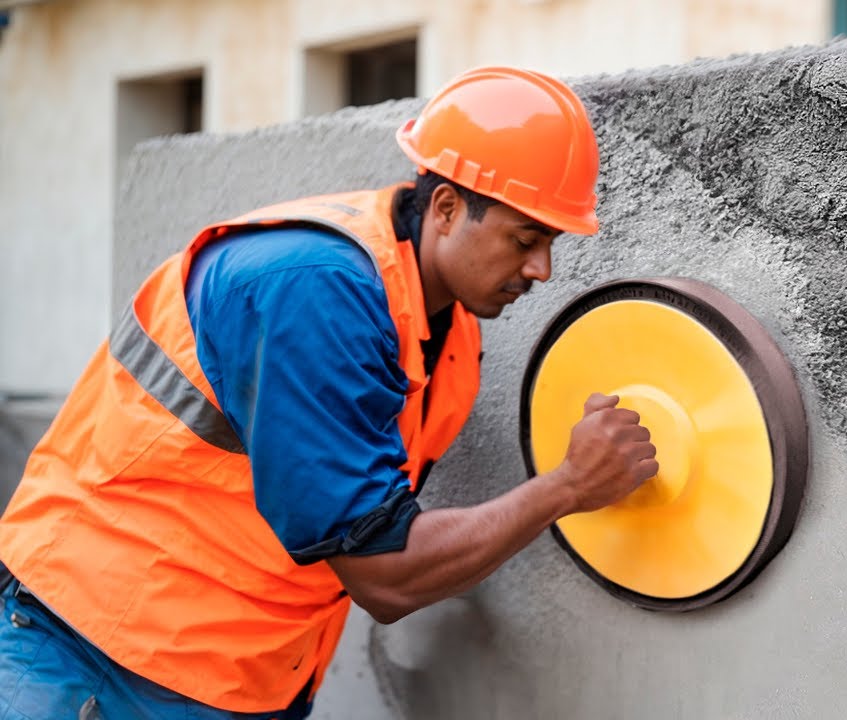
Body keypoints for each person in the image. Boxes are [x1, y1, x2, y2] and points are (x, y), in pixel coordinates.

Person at [0, 66, 657, 719]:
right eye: (526, 238)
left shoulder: (444, 329)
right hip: (96, 657)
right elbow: (385, 572)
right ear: (448, 208)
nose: (542, 268)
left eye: (550, 243)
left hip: (235, 672)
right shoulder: (314, 290)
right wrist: (568, 487)